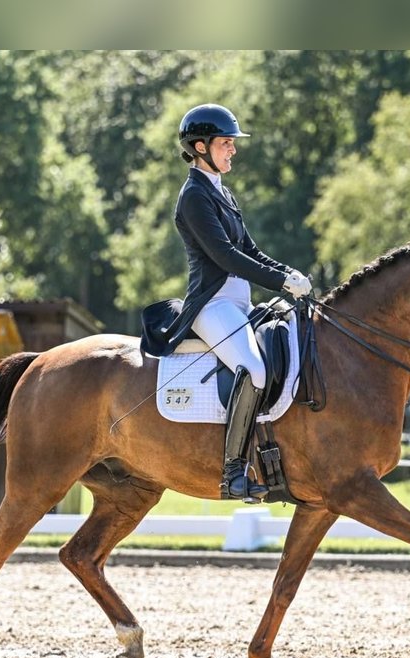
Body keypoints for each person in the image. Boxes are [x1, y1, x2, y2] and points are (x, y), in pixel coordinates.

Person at [141, 103, 313, 501]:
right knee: (253, 368)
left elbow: (251, 250)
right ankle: (233, 472)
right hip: (211, 305)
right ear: (199, 147)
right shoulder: (193, 197)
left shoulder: (222, 192)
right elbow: (227, 258)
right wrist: (282, 282)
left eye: (232, 143)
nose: (232, 150)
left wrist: (289, 274)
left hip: (239, 304)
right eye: (225, 143)